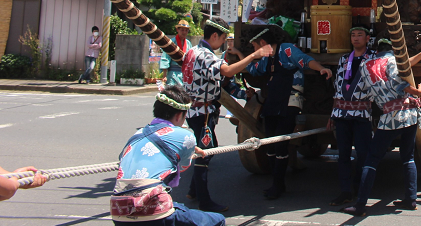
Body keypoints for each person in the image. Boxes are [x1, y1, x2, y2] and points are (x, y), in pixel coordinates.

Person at [344, 40, 421, 216]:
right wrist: (417, 91)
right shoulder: (393, 61)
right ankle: (411, 199)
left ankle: (361, 205)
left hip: (389, 116)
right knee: (407, 156)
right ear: (392, 51)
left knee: (371, 160)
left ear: (377, 50)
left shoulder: (365, 65)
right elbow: (398, 81)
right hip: (409, 114)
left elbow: (353, 92)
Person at [182, 17, 266, 213]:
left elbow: (222, 84)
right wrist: (254, 55)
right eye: (222, 38)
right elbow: (227, 72)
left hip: (197, 111)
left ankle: (193, 190)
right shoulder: (206, 56)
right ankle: (204, 201)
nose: (223, 43)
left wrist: (242, 93)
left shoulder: (192, 51)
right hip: (201, 112)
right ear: (214, 36)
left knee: (208, 149)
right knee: (204, 153)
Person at [110, 85, 224, 226]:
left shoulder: (136, 135)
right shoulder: (186, 136)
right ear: (178, 115)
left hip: (119, 212)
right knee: (217, 220)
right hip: (155, 212)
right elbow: (182, 166)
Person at [246, 25, 332, 200]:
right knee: (269, 142)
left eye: (255, 46)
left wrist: (321, 68)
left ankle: (278, 185)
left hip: (290, 101)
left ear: (263, 42)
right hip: (273, 101)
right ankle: (277, 182)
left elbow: (305, 60)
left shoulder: (287, 50)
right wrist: (241, 57)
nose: (254, 50)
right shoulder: (266, 58)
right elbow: (254, 70)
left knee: (280, 142)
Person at [328, 26, 376, 206]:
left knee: (363, 153)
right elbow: (338, 86)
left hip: (362, 112)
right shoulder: (343, 59)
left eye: (360, 35)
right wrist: (332, 113)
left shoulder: (373, 59)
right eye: (353, 35)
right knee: (343, 153)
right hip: (341, 112)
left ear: (367, 38)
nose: (356, 39)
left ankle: (360, 188)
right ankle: (345, 190)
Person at [161, 20, 191, 87]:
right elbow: (165, 57)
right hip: (173, 73)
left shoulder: (188, 43)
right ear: (177, 30)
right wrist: (164, 75)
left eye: (186, 30)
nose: (184, 32)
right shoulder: (171, 42)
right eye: (182, 30)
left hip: (184, 74)